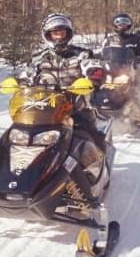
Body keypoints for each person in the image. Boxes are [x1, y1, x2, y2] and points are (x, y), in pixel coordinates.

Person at [31, 13, 107, 178]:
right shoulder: (38, 58)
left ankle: (100, 172)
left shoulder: (81, 54)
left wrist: (95, 74)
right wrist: (16, 82)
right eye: (54, 33)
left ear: (68, 34)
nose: (58, 36)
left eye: (62, 32)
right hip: (45, 109)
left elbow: (92, 66)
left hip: (76, 108)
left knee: (90, 136)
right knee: (24, 136)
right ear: (47, 35)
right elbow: (27, 75)